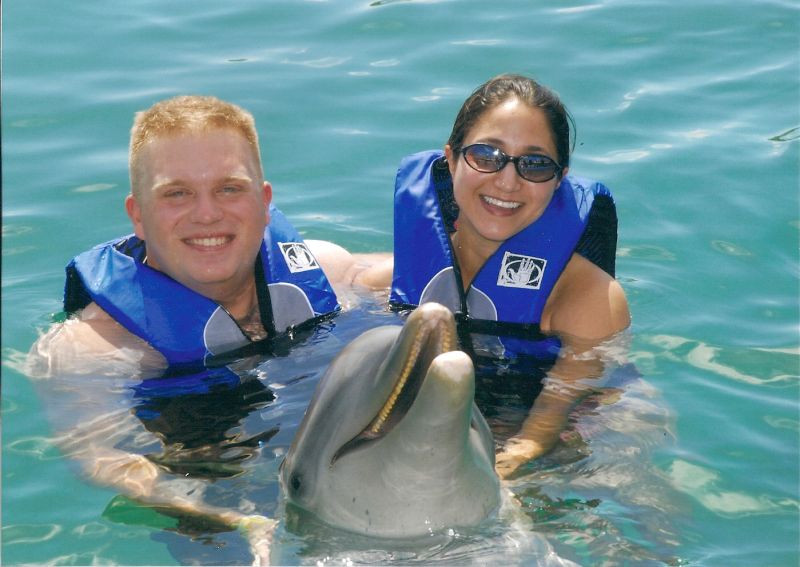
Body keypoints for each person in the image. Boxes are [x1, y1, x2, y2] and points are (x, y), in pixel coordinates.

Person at [355, 74, 631, 478]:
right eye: (486, 155)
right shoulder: (389, 283)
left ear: (559, 181)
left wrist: (513, 462)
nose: (507, 180)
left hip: (566, 442)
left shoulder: (589, 298)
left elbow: (550, 422)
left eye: (535, 164)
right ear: (450, 161)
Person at [29, 95, 361, 376]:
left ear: (264, 203)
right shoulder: (91, 352)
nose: (207, 214)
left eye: (229, 188)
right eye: (177, 193)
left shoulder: (333, 274)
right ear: (138, 216)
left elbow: (409, 290)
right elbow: (104, 452)